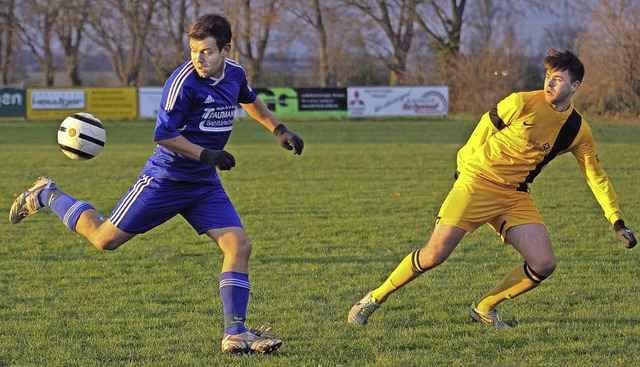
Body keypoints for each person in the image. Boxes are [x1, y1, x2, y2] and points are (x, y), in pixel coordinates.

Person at [9, 13, 303, 354]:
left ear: (226, 49)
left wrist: (279, 130)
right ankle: (46, 193)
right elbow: (164, 136)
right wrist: (207, 155)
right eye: (194, 51)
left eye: (206, 51)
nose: (199, 59)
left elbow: (249, 98)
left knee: (239, 246)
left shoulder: (234, 72)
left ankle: (235, 333)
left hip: (203, 185)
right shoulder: (183, 83)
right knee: (105, 240)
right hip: (166, 179)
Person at [348, 49, 636, 329]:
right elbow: (482, 132)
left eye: (558, 79)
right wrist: (463, 169)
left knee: (544, 263)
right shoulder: (520, 102)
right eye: (548, 75)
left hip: (514, 195)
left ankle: (484, 307)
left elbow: (595, 176)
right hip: (477, 181)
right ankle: (373, 298)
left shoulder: (576, 130)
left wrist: (617, 221)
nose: (549, 82)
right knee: (434, 254)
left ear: (575, 86)